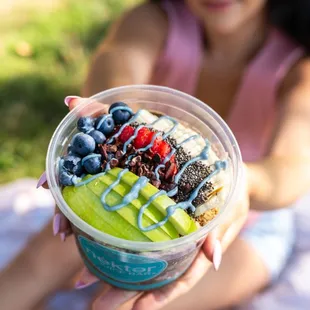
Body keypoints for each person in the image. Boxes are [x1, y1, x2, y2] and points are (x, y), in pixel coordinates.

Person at [2, 0, 310, 309]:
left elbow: (293, 168)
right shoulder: (154, 21)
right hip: (124, 192)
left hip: (250, 227)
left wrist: (245, 183)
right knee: (36, 263)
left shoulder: (297, 68)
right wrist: (119, 120)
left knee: (143, 305)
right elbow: (116, 65)